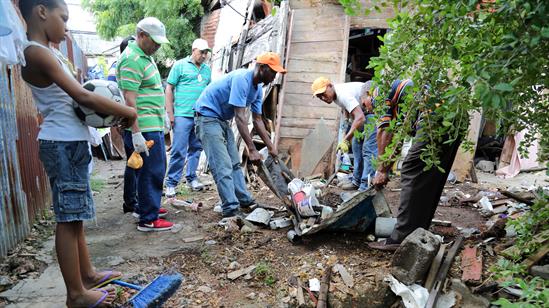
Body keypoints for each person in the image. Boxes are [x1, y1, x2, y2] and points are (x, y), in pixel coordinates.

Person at [19, 0, 137, 306]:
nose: (67, 27)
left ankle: (87, 275)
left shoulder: (49, 50)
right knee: (68, 219)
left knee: (77, 216)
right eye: (64, 18)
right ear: (41, 11)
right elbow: (82, 95)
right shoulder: (36, 52)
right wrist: (127, 111)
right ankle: (76, 294)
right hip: (62, 144)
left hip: (70, 142)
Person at [368, 79, 463, 251]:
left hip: (436, 115)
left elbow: (385, 131)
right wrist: (386, 169)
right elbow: (396, 141)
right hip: (455, 116)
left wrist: (381, 170)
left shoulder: (378, 94)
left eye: (365, 105)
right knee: (430, 175)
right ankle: (418, 232)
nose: (368, 109)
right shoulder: (402, 98)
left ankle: (400, 238)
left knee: (411, 169)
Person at [194, 52, 286, 218]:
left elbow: (257, 120)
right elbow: (240, 117)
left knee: (235, 164)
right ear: (262, 68)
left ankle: (245, 201)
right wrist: (251, 149)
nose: (274, 76)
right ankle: (230, 209)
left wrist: (271, 147)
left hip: (221, 120)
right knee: (222, 165)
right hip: (207, 118)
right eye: (273, 72)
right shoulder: (241, 79)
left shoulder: (257, 89)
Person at [116, 17, 173, 231]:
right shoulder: (132, 59)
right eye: (155, 41)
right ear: (141, 35)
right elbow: (130, 100)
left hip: (152, 123)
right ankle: (148, 219)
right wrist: (137, 132)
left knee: (146, 170)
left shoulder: (144, 56)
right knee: (153, 170)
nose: (158, 46)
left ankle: (146, 207)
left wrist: (163, 116)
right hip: (144, 127)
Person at [164, 38, 212, 196]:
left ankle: (192, 178)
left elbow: (208, 91)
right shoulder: (179, 65)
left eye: (206, 53)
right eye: (201, 52)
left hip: (200, 115)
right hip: (182, 115)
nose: (204, 55)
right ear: (193, 50)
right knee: (178, 149)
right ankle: (171, 183)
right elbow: (169, 88)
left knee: (196, 148)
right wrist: (170, 113)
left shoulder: (206, 70)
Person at [311, 77, 375, 190]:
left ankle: (365, 187)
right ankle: (357, 181)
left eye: (323, 93)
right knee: (356, 146)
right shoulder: (336, 97)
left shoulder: (342, 94)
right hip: (363, 113)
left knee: (368, 149)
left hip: (372, 112)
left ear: (330, 86)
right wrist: (346, 127)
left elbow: (360, 118)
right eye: (319, 97)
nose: (322, 98)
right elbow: (348, 109)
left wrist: (345, 139)